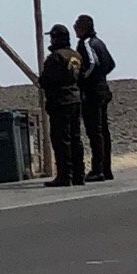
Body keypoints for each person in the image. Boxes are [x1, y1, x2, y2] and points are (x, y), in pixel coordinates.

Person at [41, 24, 86, 187]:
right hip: (75, 99)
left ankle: (65, 175)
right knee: (75, 138)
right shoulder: (76, 56)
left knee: (61, 140)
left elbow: (46, 80)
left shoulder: (55, 57)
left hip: (60, 102)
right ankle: (79, 174)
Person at [74, 15, 115, 181]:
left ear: (84, 27)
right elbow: (110, 64)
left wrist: (84, 78)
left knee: (95, 131)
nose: (75, 27)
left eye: (77, 25)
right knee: (103, 131)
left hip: (92, 93)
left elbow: (92, 63)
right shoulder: (100, 43)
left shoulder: (87, 43)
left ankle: (98, 169)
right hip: (102, 90)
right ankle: (106, 169)